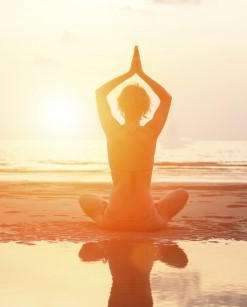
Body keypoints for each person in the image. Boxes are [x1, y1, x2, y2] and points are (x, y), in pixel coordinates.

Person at [79, 46, 188, 231]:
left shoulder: (112, 130)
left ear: (120, 106)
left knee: (84, 198)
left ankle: (106, 209)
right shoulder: (151, 131)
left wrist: (129, 74)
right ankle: (153, 207)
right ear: (146, 108)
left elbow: (100, 94)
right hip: (147, 221)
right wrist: (141, 74)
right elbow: (166, 99)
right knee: (182, 194)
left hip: (114, 221)